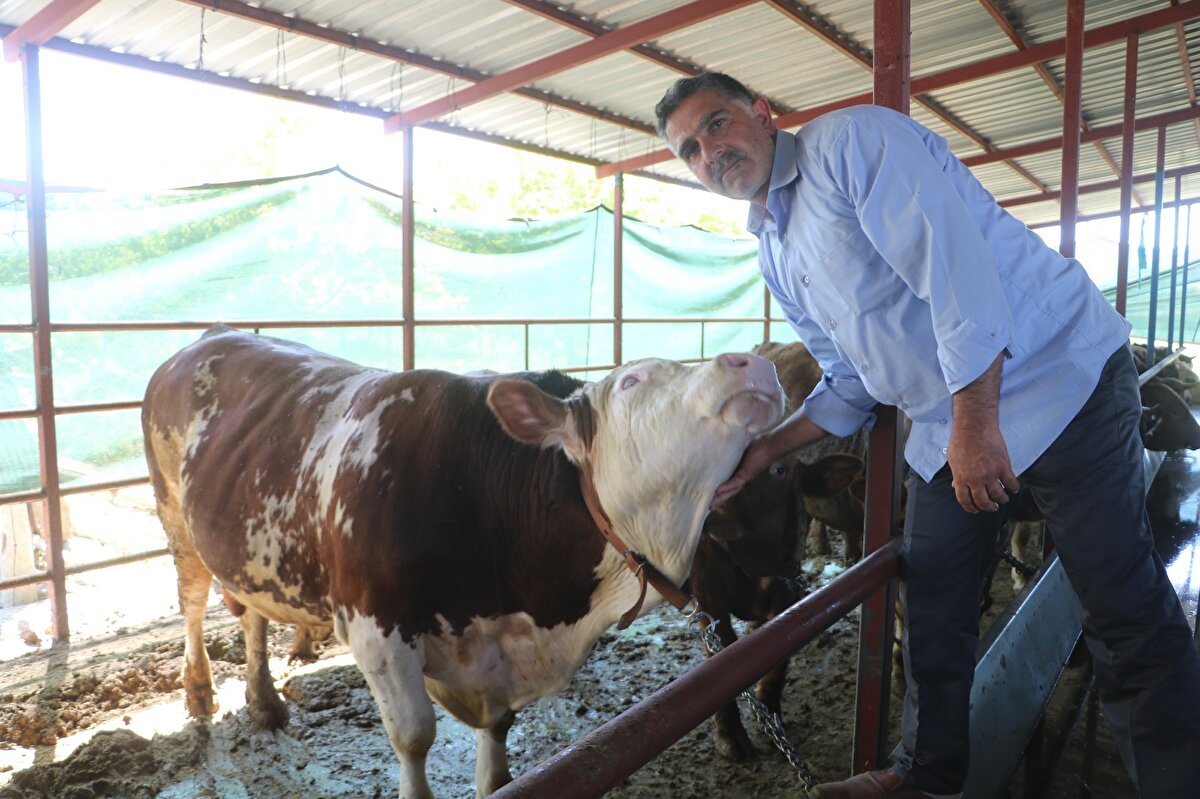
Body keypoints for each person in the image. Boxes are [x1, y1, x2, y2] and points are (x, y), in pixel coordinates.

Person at [654, 72, 1200, 798]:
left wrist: (975, 423)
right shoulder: (775, 250)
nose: (709, 153)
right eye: (689, 150)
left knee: (1118, 599)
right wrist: (763, 454)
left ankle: (1173, 781)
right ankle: (925, 775)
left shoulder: (851, 144)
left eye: (716, 125)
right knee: (932, 596)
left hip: (1059, 380)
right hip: (950, 420)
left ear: (762, 111)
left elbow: (958, 274)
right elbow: (849, 378)